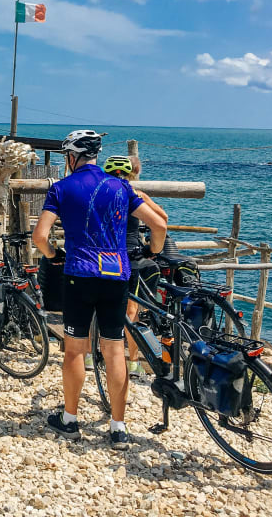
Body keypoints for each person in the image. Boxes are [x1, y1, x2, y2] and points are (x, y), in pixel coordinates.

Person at [32, 130, 166, 449]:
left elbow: (40, 236)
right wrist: (152, 252)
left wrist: (53, 255)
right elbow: (159, 225)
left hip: (79, 274)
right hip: (116, 275)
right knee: (114, 349)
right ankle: (118, 428)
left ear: (72, 157)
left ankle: (70, 420)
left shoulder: (61, 188)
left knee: (76, 349)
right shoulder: (121, 186)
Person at [103, 155, 168, 379]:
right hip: (132, 257)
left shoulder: (101, 195)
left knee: (99, 306)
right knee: (132, 310)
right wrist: (153, 250)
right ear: (133, 174)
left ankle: (93, 358)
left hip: (106, 256)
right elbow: (162, 218)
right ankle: (132, 363)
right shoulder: (137, 195)